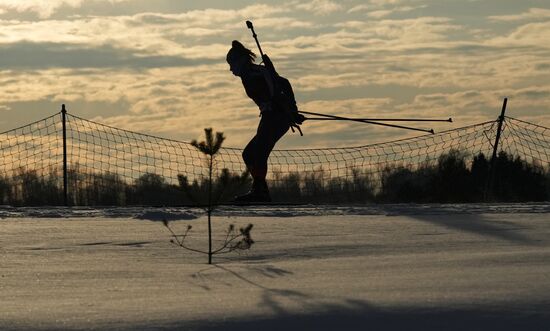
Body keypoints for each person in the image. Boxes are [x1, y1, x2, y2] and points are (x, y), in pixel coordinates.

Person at [226, 40, 303, 202]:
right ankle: (260, 189)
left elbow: (284, 83)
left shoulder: (257, 72)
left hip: (277, 116)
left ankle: (260, 192)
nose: (231, 69)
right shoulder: (248, 76)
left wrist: (292, 110)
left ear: (240, 62)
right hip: (269, 117)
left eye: (232, 64)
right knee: (249, 154)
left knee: (259, 152)